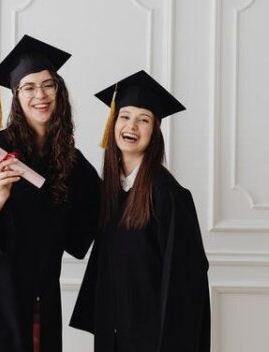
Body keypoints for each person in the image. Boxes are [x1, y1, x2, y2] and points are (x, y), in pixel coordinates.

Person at [0, 35, 101, 352]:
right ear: (16, 96)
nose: (41, 95)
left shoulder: (70, 159)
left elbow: (91, 218)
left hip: (43, 294)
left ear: (59, 91)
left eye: (48, 85)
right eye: (29, 87)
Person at [70, 70, 210, 351]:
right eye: (124, 116)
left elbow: (186, 281)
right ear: (113, 123)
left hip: (154, 337)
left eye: (143, 119)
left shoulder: (167, 194)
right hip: (113, 332)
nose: (131, 125)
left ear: (155, 131)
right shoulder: (111, 190)